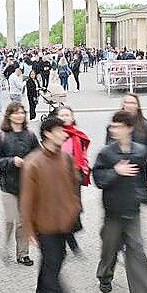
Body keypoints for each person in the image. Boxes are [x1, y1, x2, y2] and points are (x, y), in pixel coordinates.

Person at [93, 111, 147, 293]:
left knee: (136, 250)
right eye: (112, 126)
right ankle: (104, 275)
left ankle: (142, 289)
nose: (113, 130)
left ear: (129, 129)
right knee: (109, 249)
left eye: (118, 127)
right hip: (113, 212)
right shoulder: (106, 153)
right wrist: (115, 172)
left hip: (132, 211)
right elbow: (98, 179)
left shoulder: (140, 151)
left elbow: (142, 180)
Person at [20, 116, 82, 292]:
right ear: (48, 133)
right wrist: (29, 229)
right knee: (53, 266)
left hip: (64, 223)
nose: (64, 134)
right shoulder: (33, 162)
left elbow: (73, 186)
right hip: (45, 226)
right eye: (60, 131)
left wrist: (74, 208)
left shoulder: (66, 158)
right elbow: (26, 199)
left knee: (53, 262)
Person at [0, 102, 39, 267]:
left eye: (22, 112)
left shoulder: (30, 135)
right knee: (11, 219)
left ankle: (23, 254)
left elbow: (38, 155)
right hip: (8, 185)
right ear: (9, 115)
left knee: (23, 221)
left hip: (27, 185)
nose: (20, 115)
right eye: (16, 113)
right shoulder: (2, 136)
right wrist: (11, 161)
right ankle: (5, 246)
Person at [56, 105, 90, 253]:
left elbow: (83, 154)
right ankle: (68, 243)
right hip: (58, 179)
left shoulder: (78, 135)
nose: (65, 118)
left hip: (74, 178)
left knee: (74, 210)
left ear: (72, 117)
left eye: (67, 115)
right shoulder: (53, 135)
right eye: (62, 115)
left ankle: (68, 237)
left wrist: (85, 166)